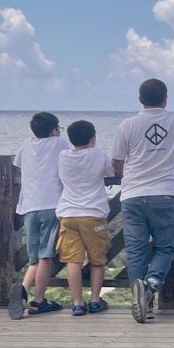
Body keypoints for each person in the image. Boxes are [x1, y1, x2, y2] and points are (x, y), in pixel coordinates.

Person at [111, 79, 174, 324]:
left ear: (140, 99)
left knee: (136, 250)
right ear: (165, 98)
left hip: (132, 195)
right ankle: (153, 281)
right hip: (162, 194)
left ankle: (141, 299)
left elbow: (116, 162)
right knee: (166, 246)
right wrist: (166, 151)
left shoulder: (127, 125)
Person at [9, 111, 66, 319]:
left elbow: (17, 164)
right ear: (53, 130)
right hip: (51, 205)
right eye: (59, 128)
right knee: (46, 255)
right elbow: (73, 159)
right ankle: (39, 300)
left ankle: (23, 289)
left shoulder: (26, 144)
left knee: (34, 257)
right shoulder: (59, 144)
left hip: (29, 205)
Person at [56, 120, 114, 316]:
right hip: (93, 214)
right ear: (92, 139)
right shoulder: (97, 154)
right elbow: (111, 171)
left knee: (73, 261)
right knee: (97, 259)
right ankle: (95, 300)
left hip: (68, 214)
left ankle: (78, 303)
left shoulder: (63, 156)